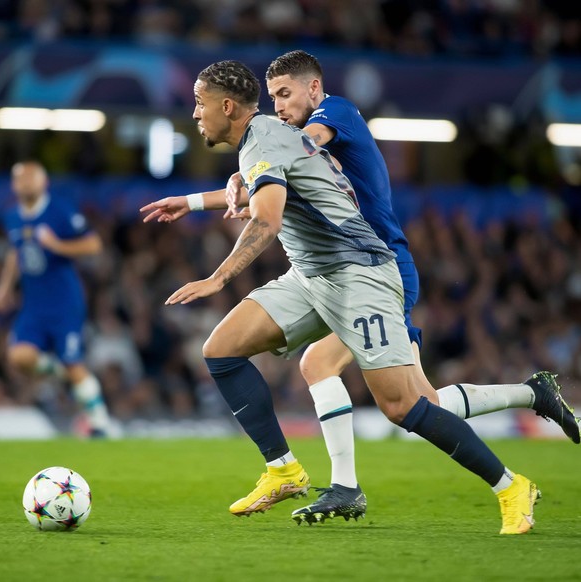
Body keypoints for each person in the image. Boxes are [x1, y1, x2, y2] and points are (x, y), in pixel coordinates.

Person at [140, 51, 579, 523]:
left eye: (199, 102)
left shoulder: (311, 123)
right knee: (223, 348)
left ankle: (511, 486)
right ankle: (285, 470)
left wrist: (218, 277)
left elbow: (268, 212)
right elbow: (270, 177)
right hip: (312, 275)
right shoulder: (271, 139)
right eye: (273, 97)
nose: (193, 112)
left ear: (228, 107)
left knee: (405, 404)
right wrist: (193, 200)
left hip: (363, 272)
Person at [0, 161, 112, 437]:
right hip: (34, 306)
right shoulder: (12, 215)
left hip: (64, 303)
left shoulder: (60, 211)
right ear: (13, 185)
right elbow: (16, 252)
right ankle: (64, 371)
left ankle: (100, 425)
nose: (25, 183)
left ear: (43, 182)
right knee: (18, 357)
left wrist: (57, 245)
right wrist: (5, 288)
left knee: (74, 365)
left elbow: (94, 244)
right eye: (20, 179)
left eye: (30, 178)